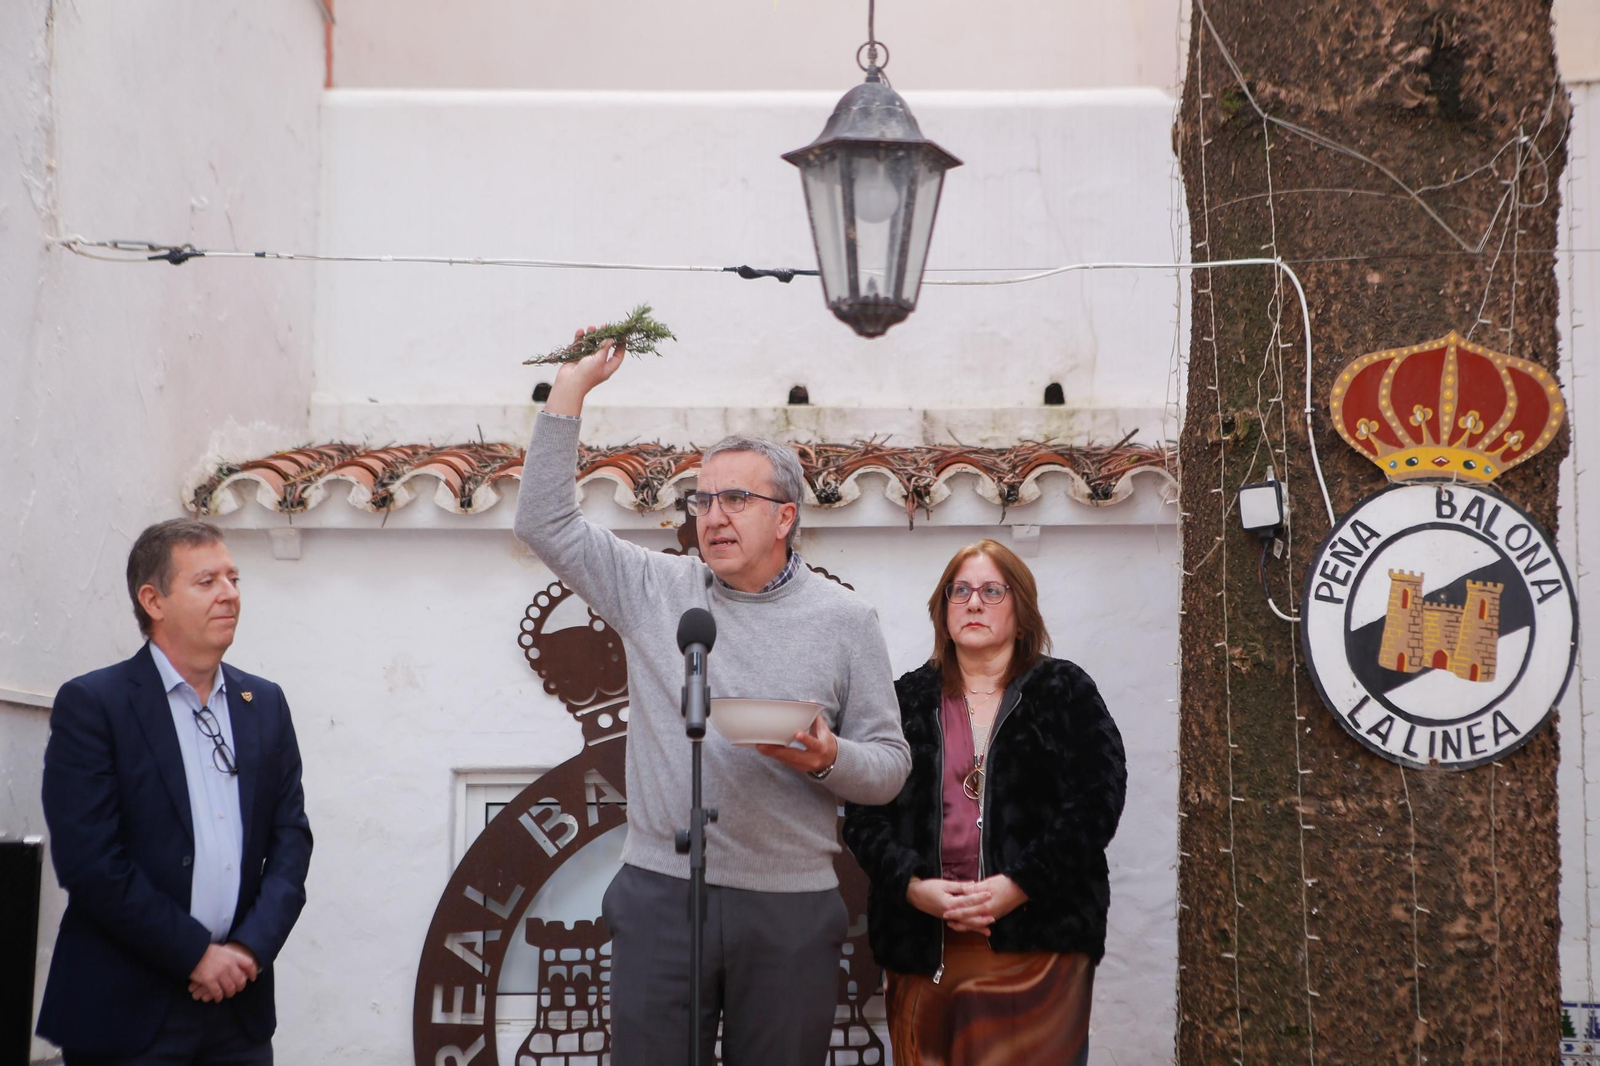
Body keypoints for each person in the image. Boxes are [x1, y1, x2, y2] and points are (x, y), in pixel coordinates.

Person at [513, 330, 911, 1066]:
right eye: (703, 500)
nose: (714, 516)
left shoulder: (845, 621)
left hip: (790, 907)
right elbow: (543, 523)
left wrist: (827, 759)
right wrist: (570, 391)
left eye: (736, 498)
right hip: (663, 895)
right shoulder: (656, 590)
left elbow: (888, 767)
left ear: (785, 516)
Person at [37, 519, 313, 1065]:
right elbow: (89, 862)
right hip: (125, 1009)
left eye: (233, 578)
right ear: (153, 600)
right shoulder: (96, 705)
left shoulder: (266, 703)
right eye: (207, 581)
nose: (230, 593)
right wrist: (195, 955)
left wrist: (245, 951)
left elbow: (291, 843)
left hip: (238, 1007)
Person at [843, 539, 1126, 1066]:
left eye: (992, 591)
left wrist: (1019, 885)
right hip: (923, 947)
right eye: (961, 590)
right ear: (943, 609)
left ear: (1021, 612)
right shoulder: (904, 699)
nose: (973, 602)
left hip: (1038, 947)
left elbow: (1097, 804)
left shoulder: (1065, 690)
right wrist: (912, 886)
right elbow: (864, 814)